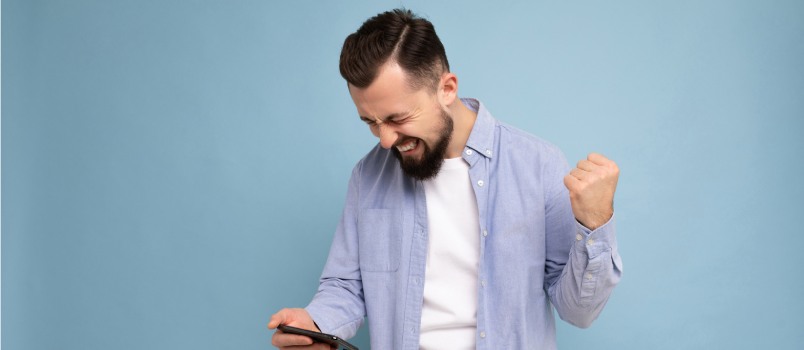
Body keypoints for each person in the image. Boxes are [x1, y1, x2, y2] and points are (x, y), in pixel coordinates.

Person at [268, 8, 622, 349]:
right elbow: (346, 286)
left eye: (397, 118)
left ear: (447, 88)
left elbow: (579, 311)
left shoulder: (538, 164)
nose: (385, 139)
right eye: (371, 122)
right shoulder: (368, 175)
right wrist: (315, 324)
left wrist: (594, 222)